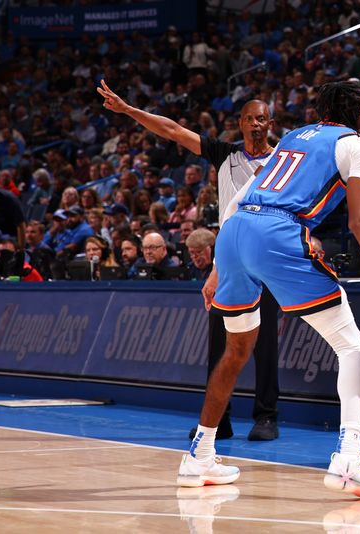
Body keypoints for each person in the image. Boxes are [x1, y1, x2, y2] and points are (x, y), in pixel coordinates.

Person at [118, 80, 360, 495]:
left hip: (235, 234)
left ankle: (199, 455)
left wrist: (218, 264)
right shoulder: (359, 147)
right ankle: (348, 460)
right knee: (352, 346)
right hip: (278, 232)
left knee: (235, 351)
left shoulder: (293, 136)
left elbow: (240, 199)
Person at [98, 82, 284, 443]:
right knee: (218, 346)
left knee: (264, 344)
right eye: (249, 119)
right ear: (241, 124)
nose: (256, 124)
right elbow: (173, 130)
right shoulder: (225, 154)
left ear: (270, 122)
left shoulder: (282, 161)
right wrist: (129, 110)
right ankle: (220, 419)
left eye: (261, 119)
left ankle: (267, 417)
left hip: (267, 258)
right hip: (229, 261)